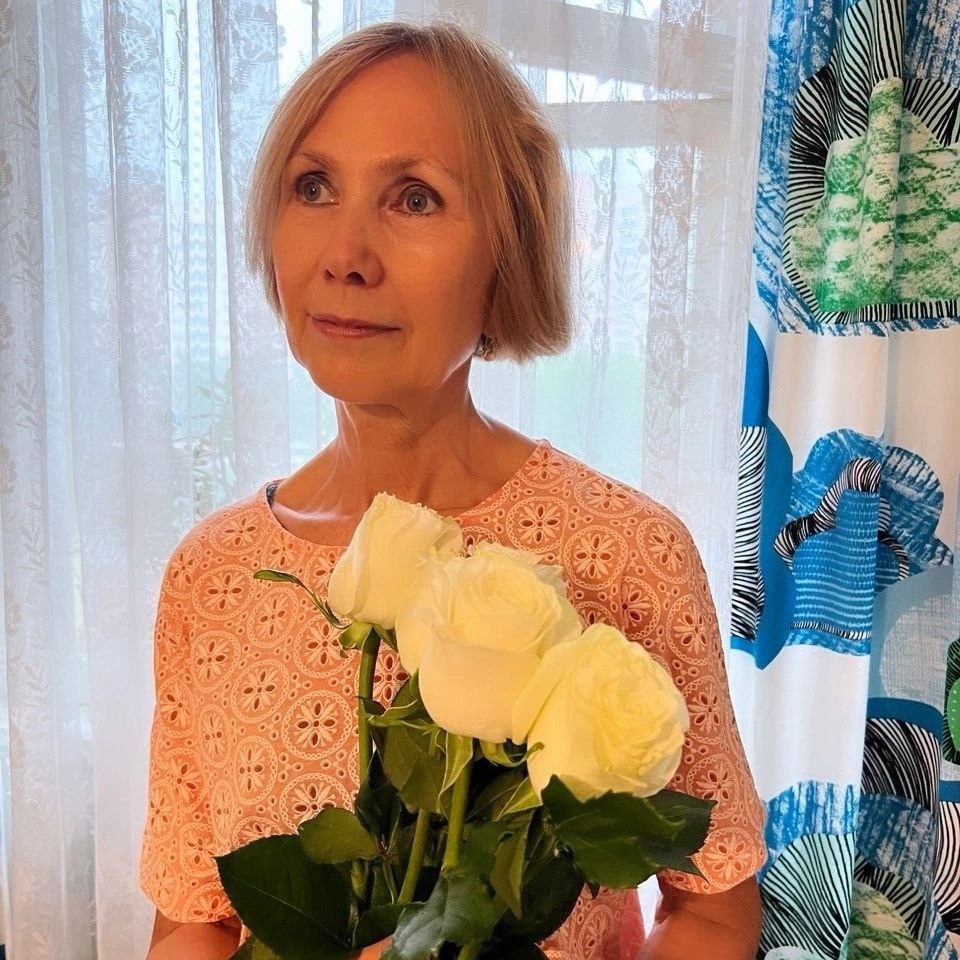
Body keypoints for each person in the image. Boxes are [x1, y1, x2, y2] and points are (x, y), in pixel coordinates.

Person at [139, 19, 765, 960]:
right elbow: (196, 919)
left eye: (415, 197)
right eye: (313, 186)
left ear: (509, 251)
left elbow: (713, 904)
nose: (345, 253)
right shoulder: (211, 577)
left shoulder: (628, 554)